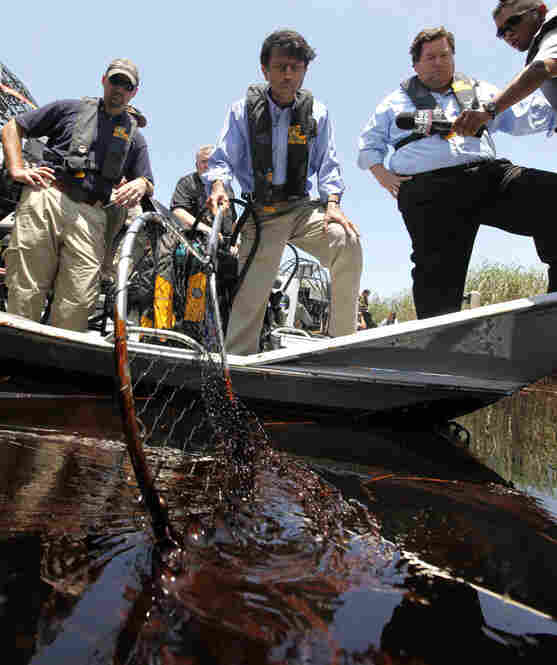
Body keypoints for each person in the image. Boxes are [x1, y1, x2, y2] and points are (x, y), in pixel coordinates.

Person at [358, 26, 557, 320]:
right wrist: (381, 174)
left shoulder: (480, 91)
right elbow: (368, 145)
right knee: (437, 278)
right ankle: (437, 351)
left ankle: (552, 309)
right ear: (416, 64)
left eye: (444, 55)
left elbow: (525, 116)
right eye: (430, 57)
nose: (438, 62)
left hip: (489, 178)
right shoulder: (392, 103)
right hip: (430, 191)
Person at [204, 29, 362, 355]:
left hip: (302, 209)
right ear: (265, 70)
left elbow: (328, 165)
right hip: (262, 213)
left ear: (304, 71)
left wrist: (332, 203)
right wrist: (219, 185)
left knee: (347, 240)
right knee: (251, 297)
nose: (287, 75)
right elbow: (221, 160)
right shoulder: (241, 111)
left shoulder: (318, 113)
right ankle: (236, 364)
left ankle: (343, 346)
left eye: (295, 67)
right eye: (280, 67)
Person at [1, 58, 154, 332]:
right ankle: (12, 365)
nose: (119, 88)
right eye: (115, 80)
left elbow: (147, 180)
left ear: (134, 91)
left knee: (78, 301)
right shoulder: (68, 108)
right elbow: (13, 127)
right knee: (26, 288)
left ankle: (55, 369)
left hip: (91, 214)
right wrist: (16, 168)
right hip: (47, 198)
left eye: (126, 85)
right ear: (103, 81)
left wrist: (141, 184)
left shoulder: (135, 136)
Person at [453, 2, 557, 137]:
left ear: (540, 11)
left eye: (513, 22)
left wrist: (486, 112)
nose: (508, 35)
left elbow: (540, 69)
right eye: (502, 32)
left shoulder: (552, 30)